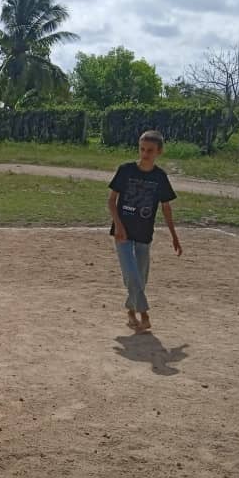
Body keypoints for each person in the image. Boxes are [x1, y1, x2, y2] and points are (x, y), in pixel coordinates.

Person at [107, 129, 182, 332]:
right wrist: (119, 225)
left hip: (144, 234)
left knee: (140, 277)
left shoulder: (160, 177)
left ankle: (131, 312)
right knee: (131, 275)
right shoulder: (126, 170)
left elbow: (166, 207)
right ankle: (145, 315)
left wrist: (174, 236)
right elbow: (111, 202)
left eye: (150, 150)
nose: (145, 154)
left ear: (159, 152)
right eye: (142, 149)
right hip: (123, 232)